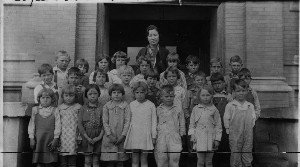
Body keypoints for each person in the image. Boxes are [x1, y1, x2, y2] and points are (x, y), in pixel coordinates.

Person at [224, 79, 256, 167]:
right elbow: (226, 118)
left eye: (243, 91)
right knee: (235, 153)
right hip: (235, 133)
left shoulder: (250, 106)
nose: (241, 93)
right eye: (238, 91)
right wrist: (228, 130)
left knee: (247, 151)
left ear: (247, 91)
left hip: (248, 133)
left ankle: (247, 164)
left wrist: (248, 129)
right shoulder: (230, 105)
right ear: (234, 92)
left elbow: (253, 119)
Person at [124, 81, 157, 167]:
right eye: (137, 92)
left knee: (144, 159)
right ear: (134, 93)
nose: (139, 94)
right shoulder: (131, 105)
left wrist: (153, 136)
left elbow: (154, 122)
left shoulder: (151, 105)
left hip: (146, 135)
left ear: (146, 92)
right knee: (134, 159)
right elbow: (128, 121)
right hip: (134, 134)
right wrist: (126, 135)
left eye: (142, 92)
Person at [188, 85, 222, 167]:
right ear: (199, 96)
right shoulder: (195, 109)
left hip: (211, 137)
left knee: (209, 162)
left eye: (208, 95)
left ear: (211, 96)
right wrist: (192, 135)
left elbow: (218, 125)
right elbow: (192, 124)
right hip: (199, 137)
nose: (205, 97)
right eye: (203, 95)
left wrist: (217, 139)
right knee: (200, 161)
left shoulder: (214, 110)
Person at [28, 88, 61, 167]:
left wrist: (56, 139)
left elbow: (58, 125)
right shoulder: (35, 110)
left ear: (52, 99)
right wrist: (31, 138)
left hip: (50, 139)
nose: (45, 100)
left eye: (48, 97)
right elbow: (32, 124)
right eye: (43, 98)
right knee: (39, 162)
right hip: (39, 139)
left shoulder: (55, 110)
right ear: (39, 99)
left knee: (50, 162)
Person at [155, 85, 185, 167]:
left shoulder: (178, 108)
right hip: (161, 137)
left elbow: (182, 122)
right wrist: (154, 136)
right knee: (162, 159)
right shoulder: (158, 109)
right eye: (166, 96)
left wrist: (182, 134)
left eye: (171, 96)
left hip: (175, 137)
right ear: (161, 97)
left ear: (174, 96)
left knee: (174, 159)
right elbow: (155, 123)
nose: (169, 98)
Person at [101, 84, 131, 167]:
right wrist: (109, 135)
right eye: (114, 92)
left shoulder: (126, 106)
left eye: (119, 92)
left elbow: (127, 121)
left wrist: (123, 135)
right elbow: (105, 122)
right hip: (109, 137)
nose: (116, 94)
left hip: (121, 137)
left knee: (120, 161)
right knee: (110, 160)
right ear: (110, 94)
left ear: (122, 94)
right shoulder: (106, 106)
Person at [78, 84, 104, 167]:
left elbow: (104, 123)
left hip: (98, 137)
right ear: (86, 95)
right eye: (90, 94)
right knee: (87, 160)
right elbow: (80, 124)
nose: (93, 96)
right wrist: (87, 137)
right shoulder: (83, 108)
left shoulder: (102, 107)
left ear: (99, 94)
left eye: (95, 93)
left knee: (96, 161)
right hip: (86, 136)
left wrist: (99, 137)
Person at [210, 72, 232, 167]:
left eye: (219, 83)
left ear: (224, 83)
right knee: (214, 149)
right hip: (213, 127)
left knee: (225, 147)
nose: (217, 86)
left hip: (225, 126)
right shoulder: (210, 96)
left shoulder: (228, 96)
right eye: (215, 84)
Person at [58, 84, 82, 167]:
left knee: (72, 160)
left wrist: (79, 136)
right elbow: (57, 124)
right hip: (63, 137)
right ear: (63, 96)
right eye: (66, 95)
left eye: (71, 95)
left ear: (75, 96)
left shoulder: (78, 107)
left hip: (73, 136)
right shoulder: (60, 108)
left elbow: (80, 124)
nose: (68, 98)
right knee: (63, 161)